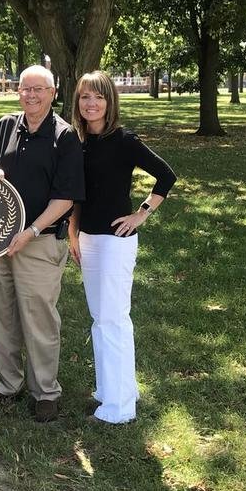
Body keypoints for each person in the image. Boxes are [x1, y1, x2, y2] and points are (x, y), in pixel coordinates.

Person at [0, 65, 85, 423]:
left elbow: (65, 198)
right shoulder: (5, 126)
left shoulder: (64, 136)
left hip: (39, 241)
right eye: (26, 88)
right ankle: (8, 383)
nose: (31, 95)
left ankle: (46, 392)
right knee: (2, 314)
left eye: (39, 89)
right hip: (0, 240)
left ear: (53, 93)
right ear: (18, 91)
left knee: (39, 319)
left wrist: (32, 231)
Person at [68, 70, 176, 424]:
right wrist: (73, 234)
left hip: (115, 242)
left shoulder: (124, 140)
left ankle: (119, 408)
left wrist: (141, 214)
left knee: (113, 320)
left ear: (109, 101)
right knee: (100, 320)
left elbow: (166, 175)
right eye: (85, 96)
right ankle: (111, 391)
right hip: (88, 239)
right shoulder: (78, 141)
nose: (91, 103)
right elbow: (77, 195)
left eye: (98, 96)